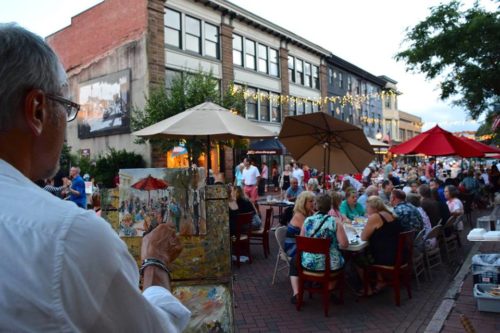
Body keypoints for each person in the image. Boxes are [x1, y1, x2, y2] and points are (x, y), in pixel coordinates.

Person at [0, 24, 190, 331]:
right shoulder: (69, 235)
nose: (67, 126)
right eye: (66, 107)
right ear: (37, 111)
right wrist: (155, 262)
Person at [358, 196, 404, 295]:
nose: (366, 209)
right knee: (374, 249)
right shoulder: (390, 214)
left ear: (374, 208)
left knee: (358, 258)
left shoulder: (375, 217)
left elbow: (363, 237)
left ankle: (368, 289)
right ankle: (380, 281)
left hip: (388, 258)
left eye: (367, 207)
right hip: (400, 254)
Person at [301, 193, 348, 289]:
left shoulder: (307, 220)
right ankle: (330, 288)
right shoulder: (335, 222)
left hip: (309, 262)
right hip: (330, 264)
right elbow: (344, 244)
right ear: (330, 206)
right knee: (344, 259)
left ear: (316, 205)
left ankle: (322, 285)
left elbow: (302, 241)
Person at [283, 191, 315, 304]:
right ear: (303, 203)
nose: (313, 203)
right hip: (293, 245)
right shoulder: (299, 215)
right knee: (297, 260)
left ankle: (312, 278)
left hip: (303, 242)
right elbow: (311, 233)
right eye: (310, 201)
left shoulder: (308, 214)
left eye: (313, 201)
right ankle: (296, 293)